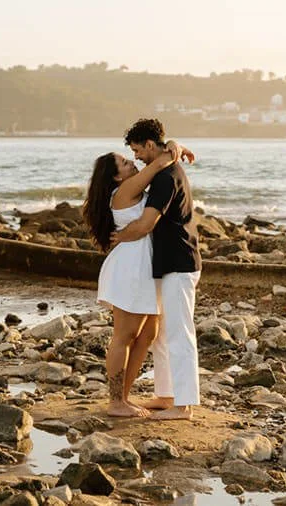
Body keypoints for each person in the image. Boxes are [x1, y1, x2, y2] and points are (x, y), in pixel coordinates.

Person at [82, 140, 191, 416]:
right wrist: (173, 147)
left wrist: (174, 144)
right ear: (116, 176)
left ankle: (123, 397)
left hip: (146, 266)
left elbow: (161, 161)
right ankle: (115, 402)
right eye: (125, 162)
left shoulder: (132, 186)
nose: (132, 161)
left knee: (147, 335)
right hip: (131, 267)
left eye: (131, 157)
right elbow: (158, 162)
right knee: (125, 335)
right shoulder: (125, 189)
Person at [111, 117, 202, 420]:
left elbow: (147, 224)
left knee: (179, 332)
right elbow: (169, 151)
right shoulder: (165, 167)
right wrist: (176, 146)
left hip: (179, 262)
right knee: (162, 334)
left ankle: (184, 405)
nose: (135, 156)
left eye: (137, 150)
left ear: (150, 145)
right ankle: (166, 395)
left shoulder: (165, 178)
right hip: (167, 262)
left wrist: (121, 236)